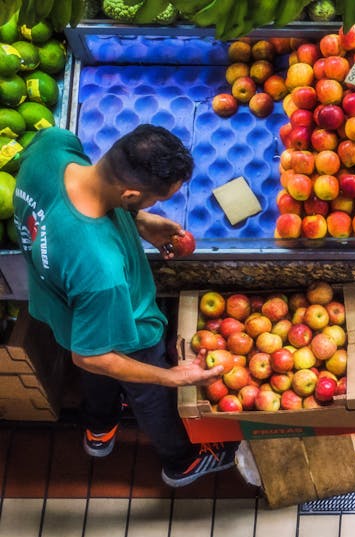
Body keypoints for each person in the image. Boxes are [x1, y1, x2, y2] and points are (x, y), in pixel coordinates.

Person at [13, 124, 238, 487]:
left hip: (64, 309)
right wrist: (172, 377)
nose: (154, 206)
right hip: (126, 329)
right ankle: (180, 461)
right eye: (153, 201)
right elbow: (91, 357)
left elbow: (77, 207)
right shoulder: (101, 271)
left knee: (97, 371)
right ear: (130, 193)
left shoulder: (51, 148)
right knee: (149, 394)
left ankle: (99, 427)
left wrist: (138, 220)